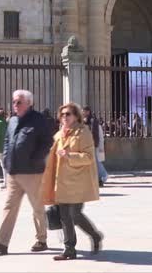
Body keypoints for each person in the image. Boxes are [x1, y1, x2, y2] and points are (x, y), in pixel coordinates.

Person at [0, 90, 53, 256]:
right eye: (14, 102)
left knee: (37, 207)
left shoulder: (39, 120)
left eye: (19, 102)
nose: (15, 105)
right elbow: (8, 141)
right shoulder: (13, 120)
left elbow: (46, 143)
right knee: (9, 207)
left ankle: (42, 239)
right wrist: (8, 160)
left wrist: (35, 160)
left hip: (33, 173)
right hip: (14, 172)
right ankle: (2, 243)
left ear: (29, 103)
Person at [40, 102, 103, 261]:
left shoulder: (83, 132)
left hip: (78, 182)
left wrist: (69, 156)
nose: (65, 117)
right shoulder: (59, 134)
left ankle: (95, 235)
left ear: (76, 116)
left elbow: (89, 157)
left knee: (74, 214)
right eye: (62, 114)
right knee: (64, 217)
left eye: (68, 114)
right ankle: (69, 249)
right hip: (61, 182)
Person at [84, 106, 108, 187]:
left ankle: (103, 176)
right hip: (86, 144)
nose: (83, 113)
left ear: (88, 111)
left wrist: (100, 146)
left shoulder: (93, 121)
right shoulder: (84, 121)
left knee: (95, 162)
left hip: (92, 144)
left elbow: (99, 135)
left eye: (84, 111)